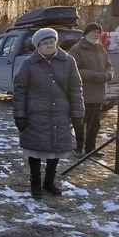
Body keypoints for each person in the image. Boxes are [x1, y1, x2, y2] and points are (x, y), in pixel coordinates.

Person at [12, 28, 84, 197]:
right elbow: (20, 91)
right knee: (35, 149)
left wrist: (78, 112)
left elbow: (76, 88)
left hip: (60, 112)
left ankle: (49, 182)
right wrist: (19, 115)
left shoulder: (68, 61)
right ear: (38, 46)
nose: (49, 45)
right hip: (36, 113)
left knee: (56, 147)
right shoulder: (28, 64)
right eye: (44, 43)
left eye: (51, 42)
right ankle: (35, 183)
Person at [69, 22, 114, 157]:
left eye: (98, 32)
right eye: (93, 32)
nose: (96, 35)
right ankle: (78, 148)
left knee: (94, 124)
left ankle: (90, 149)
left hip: (99, 93)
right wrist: (96, 76)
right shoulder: (76, 50)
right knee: (80, 123)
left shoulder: (101, 49)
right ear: (86, 33)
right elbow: (74, 70)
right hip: (83, 94)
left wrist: (109, 74)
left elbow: (108, 65)